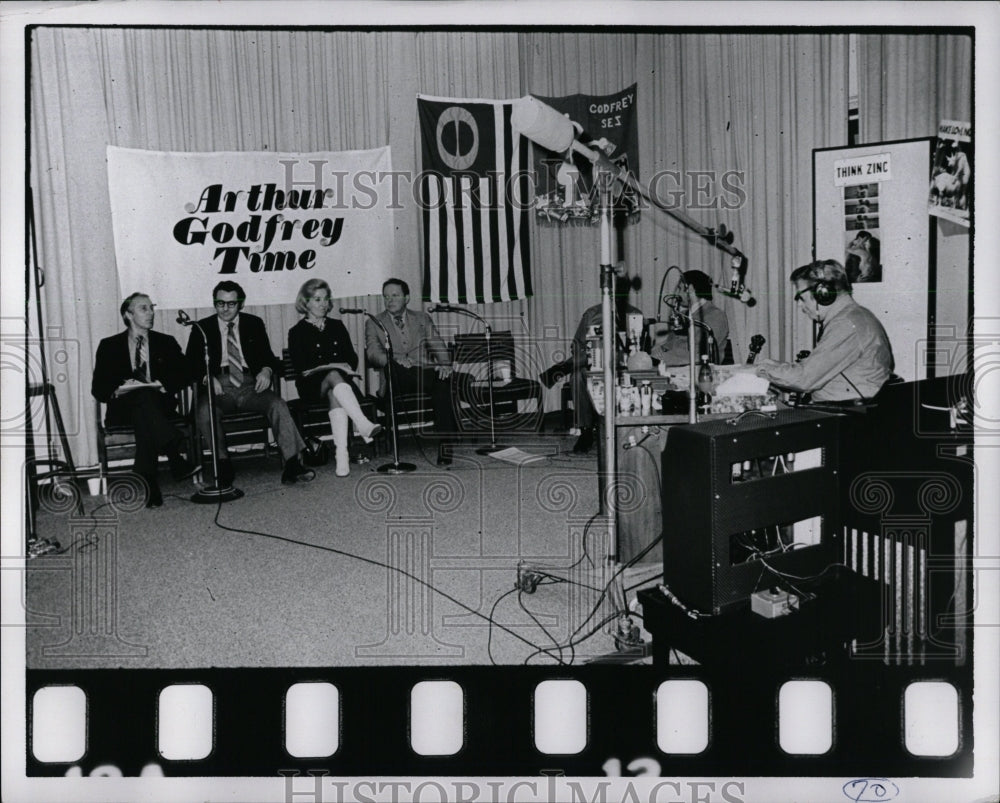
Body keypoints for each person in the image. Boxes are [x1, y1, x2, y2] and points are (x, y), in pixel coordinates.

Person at [185, 280, 315, 486]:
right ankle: (222, 464)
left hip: (250, 385)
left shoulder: (253, 323)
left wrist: (266, 369)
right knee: (204, 410)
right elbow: (189, 365)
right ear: (214, 303)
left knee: (278, 404)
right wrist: (207, 378)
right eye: (220, 303)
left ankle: (292, 464)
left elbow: (269, 358)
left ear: (241, 304)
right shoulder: (202, 328)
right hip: (218, 387)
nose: (225, 308)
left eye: (231, 303)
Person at [91, 292, 199, 508]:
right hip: (122, 411)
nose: (151, 313)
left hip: (159, 408)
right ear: (128, 315)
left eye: (151, 308)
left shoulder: (166, 342)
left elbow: (187, 373)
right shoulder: (109, 346)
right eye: (144, 308)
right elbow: (98, 388)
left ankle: (150, 481)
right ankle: (174, 455)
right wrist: (120, 388)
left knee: (145, 403)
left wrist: (160, 383)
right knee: (142, 399)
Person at [756, 259, 894, 403]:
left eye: (801, 298)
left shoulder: (846, 324)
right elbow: (814, 369)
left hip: (847, 415)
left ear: (823, 294)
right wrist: (773, 366)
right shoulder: (855, 316)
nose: (799, 306)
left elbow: (804, 379)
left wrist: (757, 370)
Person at [288, 278, 382, 477]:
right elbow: (301, 368)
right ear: (305, 303)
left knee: (334, 390)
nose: (323, 304)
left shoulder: (337, 326)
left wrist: (341, 366)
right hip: (311, 386)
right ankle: (363, 424)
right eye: (317, 299)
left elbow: (352, 358)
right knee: (332, 374)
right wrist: (332, 366)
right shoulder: (296, 332)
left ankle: (342, 456)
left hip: (340, 385)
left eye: (325, 299)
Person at [364, 278, 458, 466]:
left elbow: (437, 343)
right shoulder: (375, 322)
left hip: (423, 374)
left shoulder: (422, 318)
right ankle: (433, 375)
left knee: (442, 379)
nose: (389, 300)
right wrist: (396, 360)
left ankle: (446, 443)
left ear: (406, 298)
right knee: (408, 372)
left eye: (395, 295)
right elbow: (373, 353)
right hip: (396, 379)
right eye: (386, 297)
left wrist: (445, 364)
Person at [569, 281, 643, 454]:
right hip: (596, 363)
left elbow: (642, 346)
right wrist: (589, 351)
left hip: (625, 364)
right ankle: (586, 431)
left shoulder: (635, 314)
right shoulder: (591, 314)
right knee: (577, 377)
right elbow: (576, 344)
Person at [649, 269, 731, 367]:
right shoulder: (684, 314)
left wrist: (660, 358)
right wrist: (658, 350)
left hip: (698, 371)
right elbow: (671, 343)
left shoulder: (715, 316)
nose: (677, 294)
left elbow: (699, 355)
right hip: (676, 367)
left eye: (679, 288)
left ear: (690, 288)